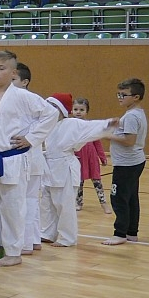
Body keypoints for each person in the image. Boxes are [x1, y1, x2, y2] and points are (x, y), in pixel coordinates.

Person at [0, 50, 58, 266]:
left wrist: (31, 138)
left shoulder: (23, 96)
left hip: (13, 159)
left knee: (12, 206)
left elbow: (51, 114)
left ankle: (14, 252)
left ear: (13, 73)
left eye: (1, 68)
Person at [39, 93, 116, 247]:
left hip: (65, 167)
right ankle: (47, 233)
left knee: (64, 204)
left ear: (61, 109)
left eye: (53, 106)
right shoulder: (46, 124)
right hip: (47, 167)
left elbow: (91, 127)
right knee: (47, 203)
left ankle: (67, 238)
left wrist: (107, 124)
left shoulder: (72, 124)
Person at [102, 78, 146, 245]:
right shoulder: (135, 114)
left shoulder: (131, 117)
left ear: (135, 97)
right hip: (133, 162)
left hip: (127, 164)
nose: (120, 97)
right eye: (118, 94)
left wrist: (108, 135)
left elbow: (129, 140)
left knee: (118, 197)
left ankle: (120, 233)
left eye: (123, 94)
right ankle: (131, 232)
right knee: (131, 197)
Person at [11, 62, 44, 255]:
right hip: (28, 157)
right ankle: (34, 239)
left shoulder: (32, 100)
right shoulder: (15, 100)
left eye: (14, 80)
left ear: (25, 82)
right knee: (30, 200)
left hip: (29, 156)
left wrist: (30, 139)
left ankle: (26, 243)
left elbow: (48, 121)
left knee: (27, 200)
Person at [72, 97, 111, 214]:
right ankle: (78, 202)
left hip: (91, 157)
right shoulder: (71, 125)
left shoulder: (90, 125)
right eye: (75, 109)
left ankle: (103, 202)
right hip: (78, 157)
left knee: (97, 180)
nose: (78, 112)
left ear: (86, 111)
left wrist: (102, 157)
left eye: (81, 110)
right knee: (79, 181)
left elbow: (97, 142)